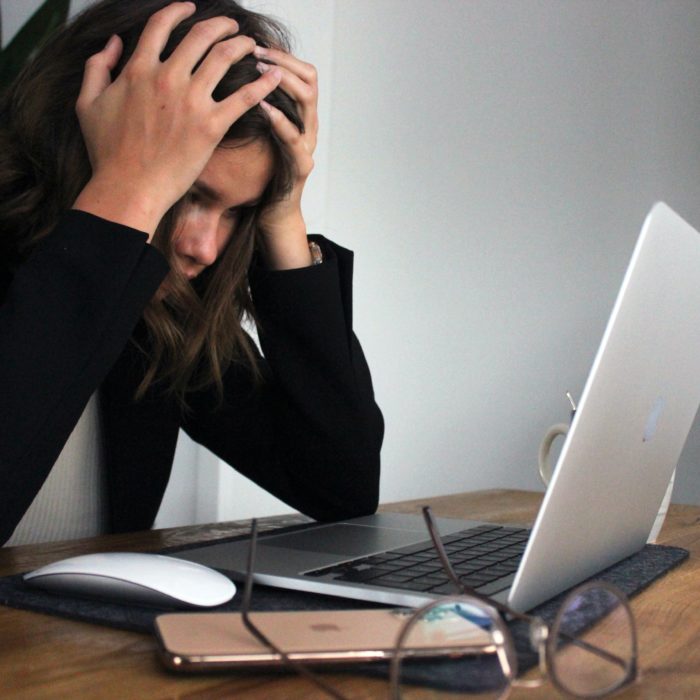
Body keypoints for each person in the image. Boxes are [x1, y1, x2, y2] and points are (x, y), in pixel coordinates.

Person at [0, 0, 383, 546]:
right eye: (187, 192)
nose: (204, 247)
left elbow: (340, 488)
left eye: (237, 212)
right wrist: (128, 188)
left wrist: (282, 214)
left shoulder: (162, 312)